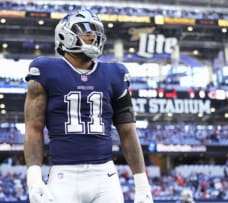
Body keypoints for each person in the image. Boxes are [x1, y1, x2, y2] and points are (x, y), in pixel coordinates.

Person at [24, 9, 153, 203]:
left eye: (95, 31)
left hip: (105, 177)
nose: (93, 36)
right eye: (86, 31)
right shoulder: (45, 70)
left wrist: (142, 184)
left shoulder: (115, 73)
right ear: (65, 35)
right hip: (63, 176)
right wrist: (34, 178)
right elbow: (34, 128)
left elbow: (128, 132)